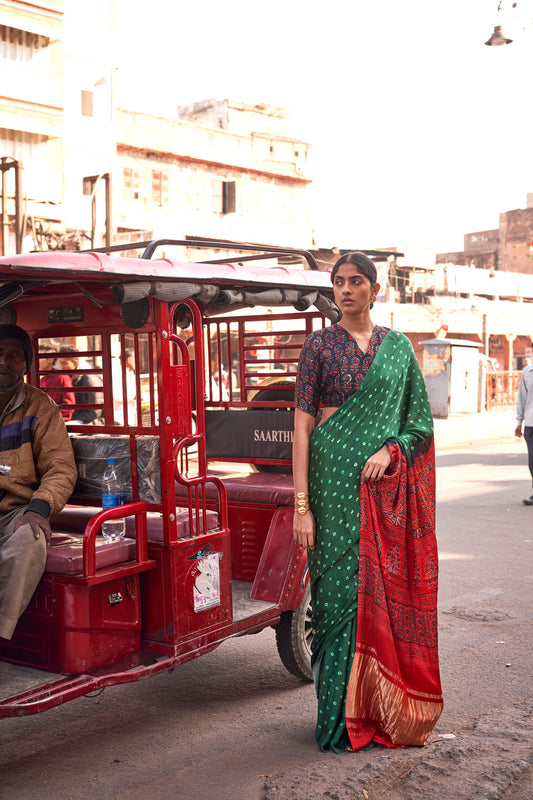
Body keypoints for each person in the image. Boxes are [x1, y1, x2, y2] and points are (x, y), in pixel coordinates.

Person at [293, 252, 443, 753]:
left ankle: (378, 709)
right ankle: (338, 717)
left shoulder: (398, 349)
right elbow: (302, 428)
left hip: (382, 496)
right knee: (336, 602)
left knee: (377, 600)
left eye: (356, 282)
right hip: (329, 490)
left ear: (375, 289)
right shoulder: (318, 346)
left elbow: (420, 425)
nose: (346, 289)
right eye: (338, 282)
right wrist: (301, 507)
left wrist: (389, 448)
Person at [0, 325, 77, 640]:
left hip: (16, 512)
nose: (4, 360)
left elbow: (60, 467)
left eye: (14, 355)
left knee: (29, 541)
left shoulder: (40, 407)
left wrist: (38, 510)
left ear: (25, 366)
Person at [59, 347, 103, 424]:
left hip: (93, 422)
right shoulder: (70, 377)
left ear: (75, 363)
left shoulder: (90, 379)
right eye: (61, 363)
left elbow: (95, 412)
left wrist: (72, 417)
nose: (62, 367)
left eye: (65, 363)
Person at [39, 343, 76, 421]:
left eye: (39, 358)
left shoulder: (62, 377)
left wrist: (50, 417)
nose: (36, 362)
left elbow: (69, 406)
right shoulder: (41, 380)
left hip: (59, 422)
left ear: (50, 360)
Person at [514, 357, 533, 505]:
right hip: (530, 424)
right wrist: (519, 422)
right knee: (532, 461)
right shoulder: (527, 372)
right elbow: (522, 399)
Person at [112, 348, 138, 425]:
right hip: (119, 418)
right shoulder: (116, 374)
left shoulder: (131, 374)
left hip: (130, 417)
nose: (136, 362)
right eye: (135, 358)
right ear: (128, 359)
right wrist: (133, 396)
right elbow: (115, 395)